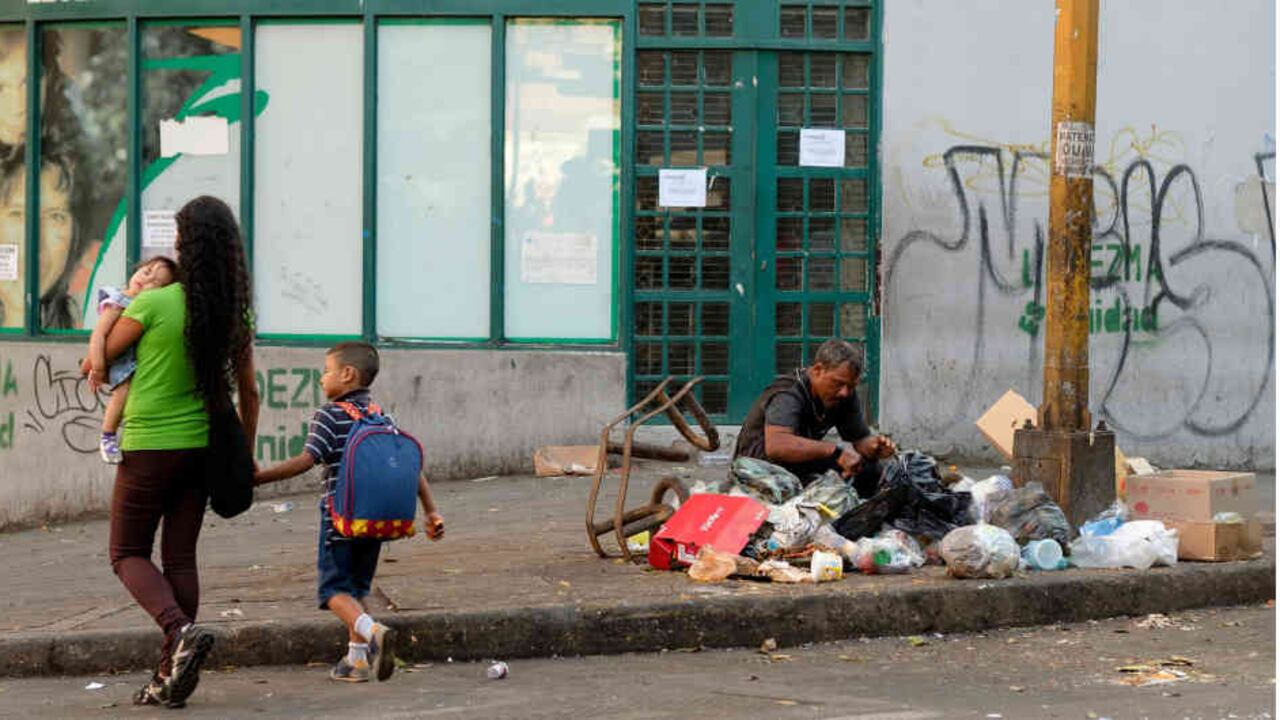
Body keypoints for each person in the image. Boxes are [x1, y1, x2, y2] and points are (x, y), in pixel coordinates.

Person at [85, 195, 259, 708]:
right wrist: (244, 456)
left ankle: (179, 630)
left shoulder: (154, 303)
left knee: (127, 553)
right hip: (203, 446)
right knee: (179, 556)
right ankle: (169, 676)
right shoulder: (235, 312)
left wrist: (97, 350)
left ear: (186, 245)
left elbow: (100, 359)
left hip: (150, 445)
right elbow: (249, 393)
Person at [254, 341, 445, 684]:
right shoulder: (381, 415)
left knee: (334, 592)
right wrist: (431, 512)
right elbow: (411, 468)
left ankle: (373, 632)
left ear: (347, 374)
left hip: (340, 520)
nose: (321, 378)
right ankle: (355, 662)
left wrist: (258, 478)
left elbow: (306, 460)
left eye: (326, 371)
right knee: (357, 589)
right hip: (377, 522)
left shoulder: (328, 415)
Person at [733, 338, 896, 499]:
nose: (844, 392)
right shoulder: (788, 393)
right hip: (759, 468)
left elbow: (860, 440)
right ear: (818, 370)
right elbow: (777, 446)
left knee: (871, 470)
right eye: (838, 383)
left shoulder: (844, 395)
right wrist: (835, 452)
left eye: (851, 386)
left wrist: (875, 447)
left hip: (801, 462)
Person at [85, 255, 178, 463]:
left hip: (137, 362)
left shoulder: (148, 306)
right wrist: (99, 368)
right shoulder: (118, 302)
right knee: (123, 393)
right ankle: (107, 435)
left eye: (155, 283)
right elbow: (98, 335)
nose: (145, 280)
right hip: (121, 362)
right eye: (146, 272)